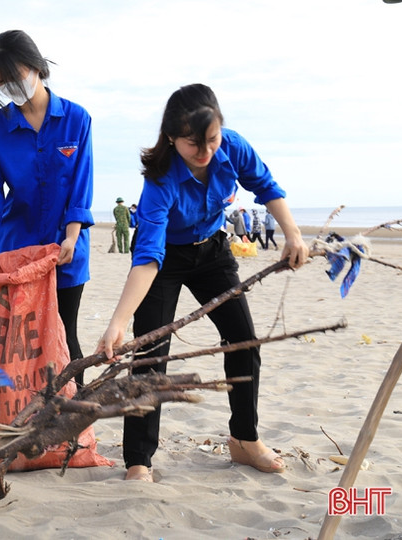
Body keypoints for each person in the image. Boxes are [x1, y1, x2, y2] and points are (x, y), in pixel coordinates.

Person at [97, 84, 309, 483]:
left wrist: (293, 235)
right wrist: (117, 323)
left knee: (244, 341)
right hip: (165, 260)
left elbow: (266, 186)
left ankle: (244, 439)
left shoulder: (232, 147)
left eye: (211, 139)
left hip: (212, 251)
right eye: (193, 143)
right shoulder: (160, 180)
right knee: (149, 354)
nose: (205, 151)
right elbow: (148, 257)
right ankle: (139, 459)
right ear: (171, 138)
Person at [0, 29, 94, 386]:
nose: (9, 86)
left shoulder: (76, 119)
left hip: (65, 248)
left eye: (14, 76)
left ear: (36, 66)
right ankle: (28, 412)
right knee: (22, 341)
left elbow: (80, 187)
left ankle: (75, 413)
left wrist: (71, 237)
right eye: (0, 81)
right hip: (18, 250)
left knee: (64, 334)